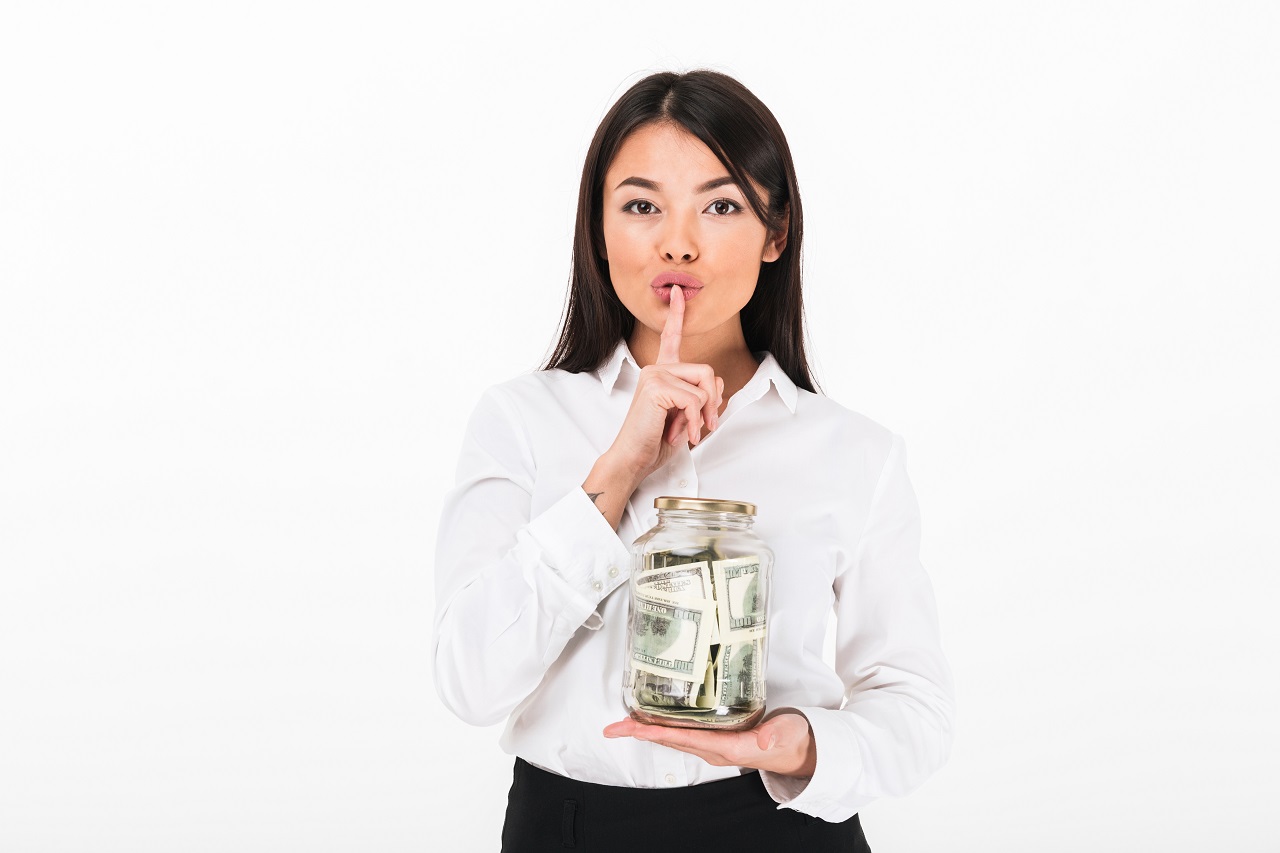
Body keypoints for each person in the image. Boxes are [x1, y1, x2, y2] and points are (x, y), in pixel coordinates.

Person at [433, 69, 955, 852]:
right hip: (568, 828)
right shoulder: (523, 419)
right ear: (599, 229)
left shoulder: (856, 452)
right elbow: (468, 680)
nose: (679, 241)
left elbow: (913, 704)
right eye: (642, 206)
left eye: (721, 205)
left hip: (776, 825)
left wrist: (801, 746)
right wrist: (619, 467)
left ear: (776, 233)